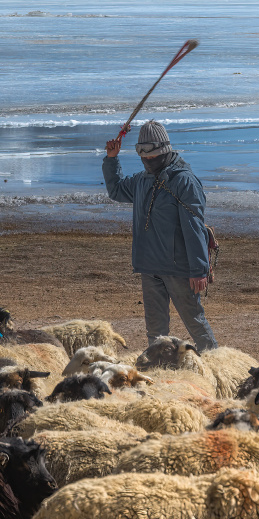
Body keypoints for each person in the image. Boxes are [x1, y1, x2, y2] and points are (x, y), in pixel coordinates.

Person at [103, 119, 217, 352]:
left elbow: (194, 227)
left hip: (180, 269)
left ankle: (218, 365)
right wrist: (112, 159)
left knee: (195, 324)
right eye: (143, 156)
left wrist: (198, 269)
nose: (147, 160)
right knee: (155, 332)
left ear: (164, 151)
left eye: (152, 155)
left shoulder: (184, 181)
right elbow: (115, 190)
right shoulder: (141, 180)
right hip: (149, 266)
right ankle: (159, 371)